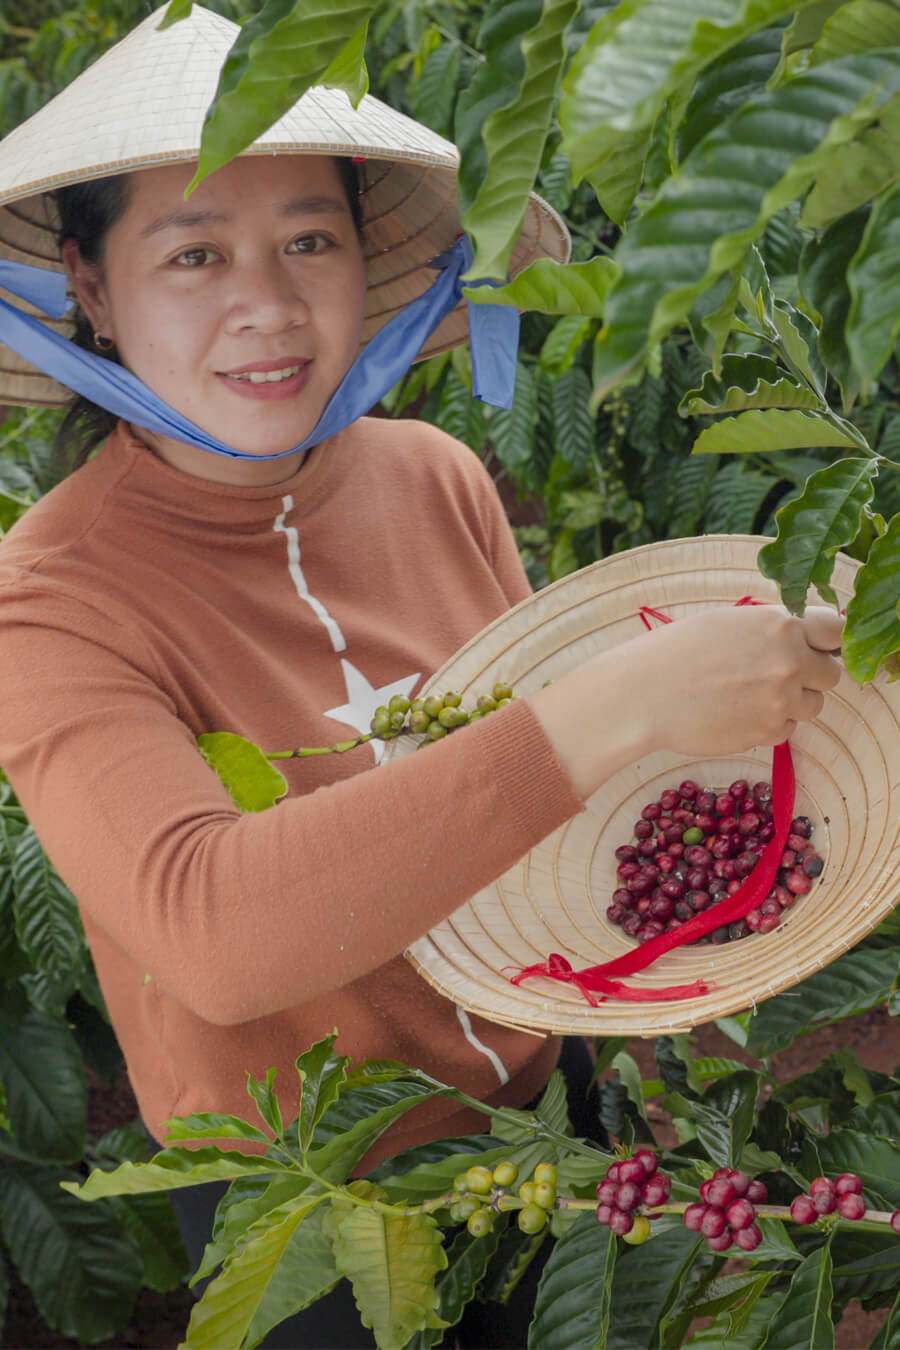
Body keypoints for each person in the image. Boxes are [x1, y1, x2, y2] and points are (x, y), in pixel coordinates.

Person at [0, 6, 843, 1346]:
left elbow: (546, 831)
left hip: (545, 1119)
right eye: (195, 254)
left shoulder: (434, 478)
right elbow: (215, 934)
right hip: (317, 1204)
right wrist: (614, 705)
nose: (267, 304)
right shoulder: (51, 598)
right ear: (91, 290)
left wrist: (644, 1042)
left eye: (308, 240)